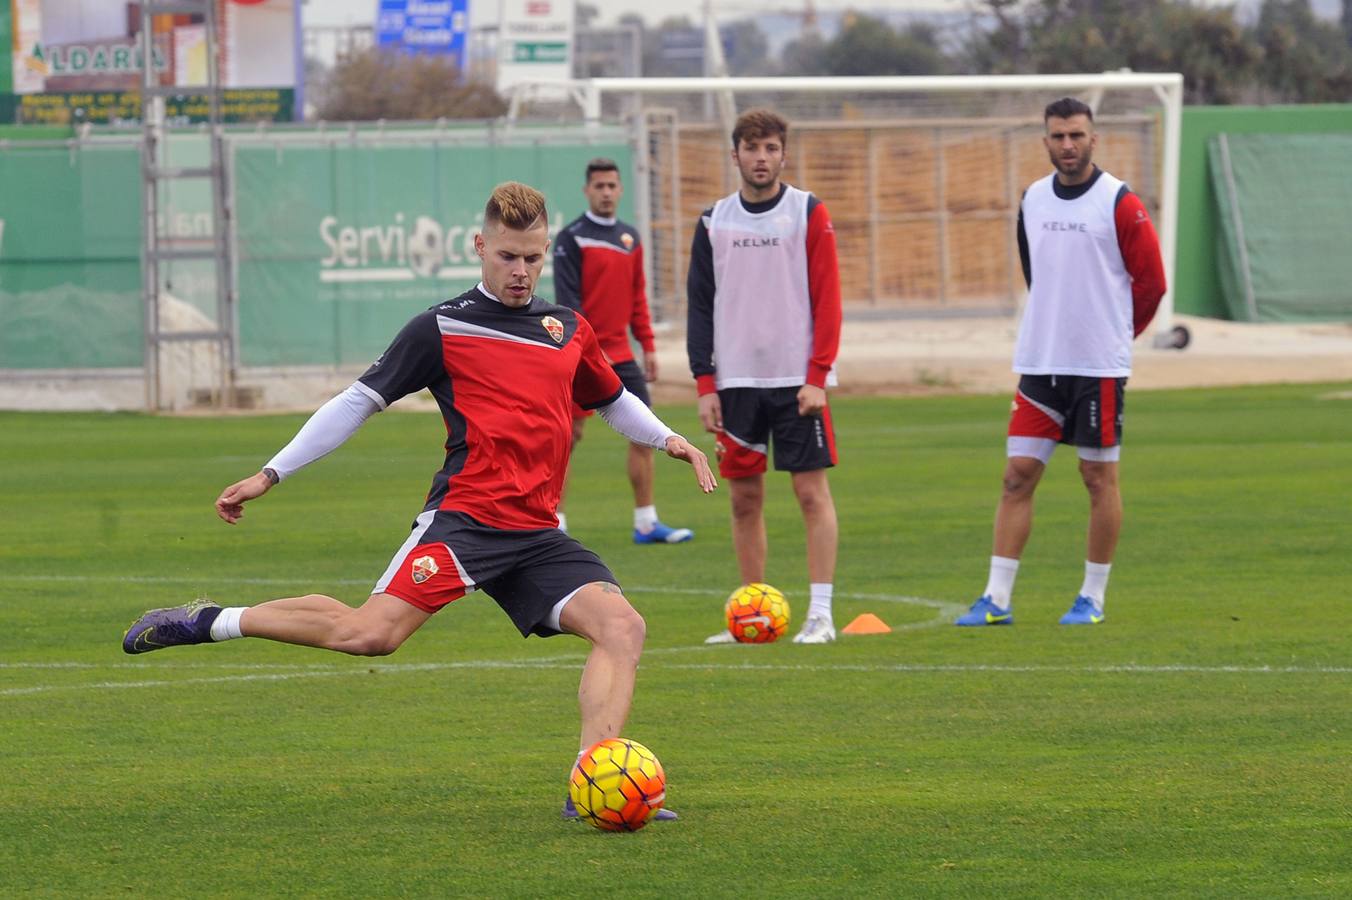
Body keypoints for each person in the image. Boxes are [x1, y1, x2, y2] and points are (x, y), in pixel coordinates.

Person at [121, 182, 717, 822]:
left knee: (622, 627)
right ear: (480, 246)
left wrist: (669, 438)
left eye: (533, 259)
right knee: (369, 635)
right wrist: (272, 473)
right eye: (508, 257)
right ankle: (212, 619)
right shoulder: (441, 326)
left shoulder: (565, 328)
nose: (521, 272)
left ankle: (592, 781)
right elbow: (356, 402)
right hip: (465, 522)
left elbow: (609, 397)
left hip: (538, 534)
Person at [956, 97, 1166, 627]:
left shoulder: (1120, 202)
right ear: (1045, 140)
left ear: (1094, 139)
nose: (1067, 145)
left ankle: (1092, 597)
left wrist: (1117, 335)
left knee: (1098, 479)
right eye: (1057, 136)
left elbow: (1152, 282)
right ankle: (996, 600)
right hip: (1040, 363)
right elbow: (1036, 272)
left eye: (1076, 135)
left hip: (1098, 368)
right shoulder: (1032, 199)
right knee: (1016, 477)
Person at [686, 109, 842, 645]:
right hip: (736, 384)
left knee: (810, 495)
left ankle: (821, 614)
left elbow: (829, 299)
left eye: (771, 148)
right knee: (743, 500)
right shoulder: (713, 221)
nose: (761, 158)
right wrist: (706, 384)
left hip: (798, 380)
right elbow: (699, 307)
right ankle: (752, 613)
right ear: (735, 156)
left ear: (783, 154)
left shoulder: (807, 212)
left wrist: (818, 374)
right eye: (751, 149)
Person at [553, 158, 693, 544]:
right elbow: (569, 304)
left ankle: (646, 522)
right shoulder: (571, 238)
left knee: (646, 434)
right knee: (568, 435)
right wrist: (586, 350)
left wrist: (647, 344)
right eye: (599, 186)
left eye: (612, 186)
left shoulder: (630, 238)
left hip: (622, 354)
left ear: (621, 190)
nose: (606, 192)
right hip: (583, 354)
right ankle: (555, 523)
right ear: (587, 190)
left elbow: (637, 299)